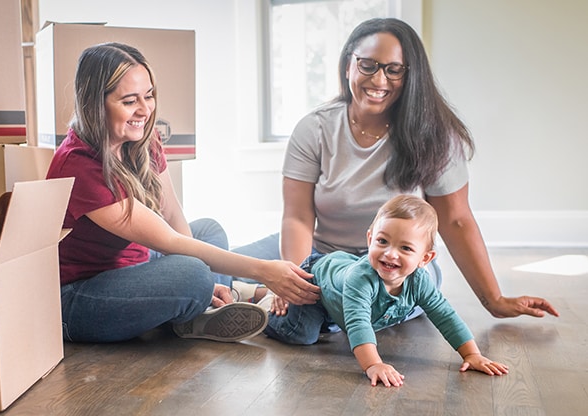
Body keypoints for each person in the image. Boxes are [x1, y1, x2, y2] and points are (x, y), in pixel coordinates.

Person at [234, 17, 558, 320]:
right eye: (368, 65)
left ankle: (272, 299)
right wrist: (296, 277)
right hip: (321, 252)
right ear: (349, 65)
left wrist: (494, 300)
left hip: (396, 263)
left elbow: (456, 220)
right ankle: (249, 292)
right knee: (217, 263)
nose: (379, 79)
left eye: (394, 70)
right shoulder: (314, 128)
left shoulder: (436, 135)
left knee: (364, 298)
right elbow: (297, 217)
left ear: (410, 75)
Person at [45, 42, 320, 344]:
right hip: (81, 297)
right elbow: (169, 241)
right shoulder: (79, 165)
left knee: (209, 231)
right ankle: (215, 297)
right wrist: (266, 271)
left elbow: (172, 213)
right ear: (94, 104)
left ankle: (213, 299)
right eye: (129, 101)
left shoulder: (142, 141)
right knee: (193, 273)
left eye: (148, 96)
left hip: (136, 263)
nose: (145, 110)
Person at [265, 195, 509, 387]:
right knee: (303, 335)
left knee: (330, 324)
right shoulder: (360, 280)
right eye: (382, 241)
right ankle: (265, 310)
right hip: (314, 279)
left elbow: (445, 315)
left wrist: (472, 354)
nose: (390, 253)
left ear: (425, 258)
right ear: (370, 238)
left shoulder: (419, 281)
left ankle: (257, 292)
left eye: (405, 248)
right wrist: (373, 365)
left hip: (336, 293)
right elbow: (359, 325)